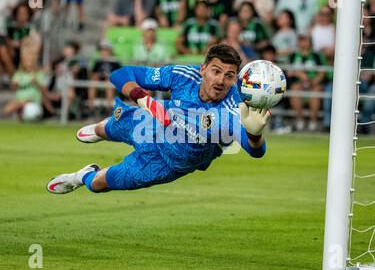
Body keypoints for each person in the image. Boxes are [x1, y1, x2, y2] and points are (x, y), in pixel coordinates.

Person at [46, 44, 272, 194]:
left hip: (166, 162)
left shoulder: (234, 108)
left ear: (235, 79)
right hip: (152, 121)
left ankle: (80, 176)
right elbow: (121, 74)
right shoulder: (183, 75)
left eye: (229, 75)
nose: (221, 80)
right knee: (106, 129)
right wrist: (142, 98)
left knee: (98, 184)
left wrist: (255, 133)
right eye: (216, 71)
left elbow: (256, 151)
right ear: (203, 69)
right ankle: (100, 130)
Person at [287, 34, 326, 132]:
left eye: (306, 40)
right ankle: (300, 120)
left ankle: (313, 122)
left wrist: (314, 81)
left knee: (316, 92)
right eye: (301, 40)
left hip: (314, 83)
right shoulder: (293, 56)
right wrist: (299, 75)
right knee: (294, 89)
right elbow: (288, 71)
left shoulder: (317, 55)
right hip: (298, 83)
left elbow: (323, 71)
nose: (303, 43)